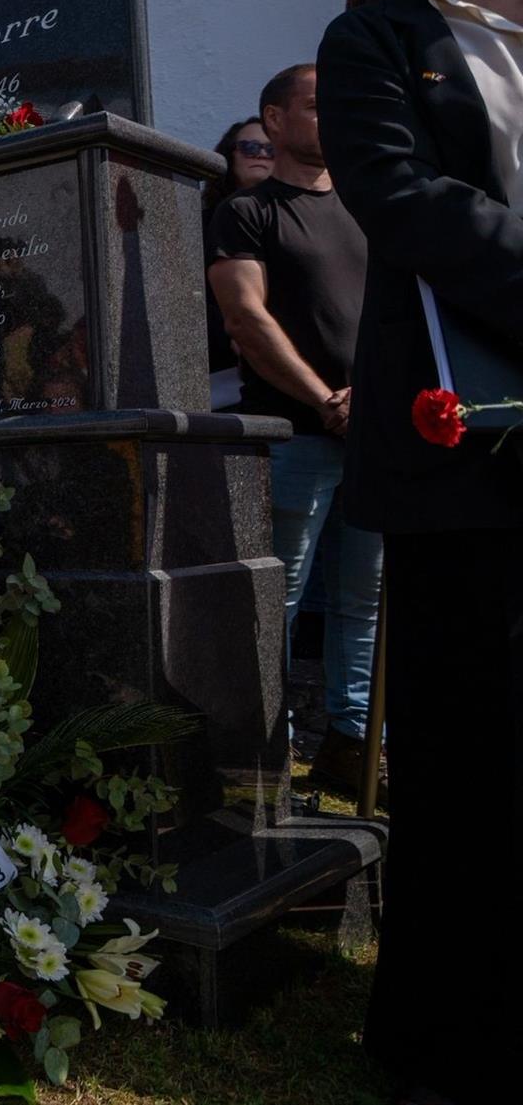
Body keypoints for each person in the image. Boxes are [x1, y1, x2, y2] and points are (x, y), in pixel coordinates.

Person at [319, 0, 523, 1099]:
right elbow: (405, 203)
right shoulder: (376, 42)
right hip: (469, 448)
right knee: (471, 751)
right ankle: (446, 1038)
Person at [208, 65, 382, 798]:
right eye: (315, 105)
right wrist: (325, 399)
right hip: (295, 439)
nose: (331, 116)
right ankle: (264, 756)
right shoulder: (247, 214)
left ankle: (353, 745)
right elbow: (248, 319)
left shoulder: (373, 207)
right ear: (273, 120)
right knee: (275, 598)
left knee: (363, 600)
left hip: (373, 438)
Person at [201, 117, 275, 409]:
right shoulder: (201, 224)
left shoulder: (298, 220)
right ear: (230, 155)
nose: (261, 154)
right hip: (227, 377)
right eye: (250, 147)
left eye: (271, 149)